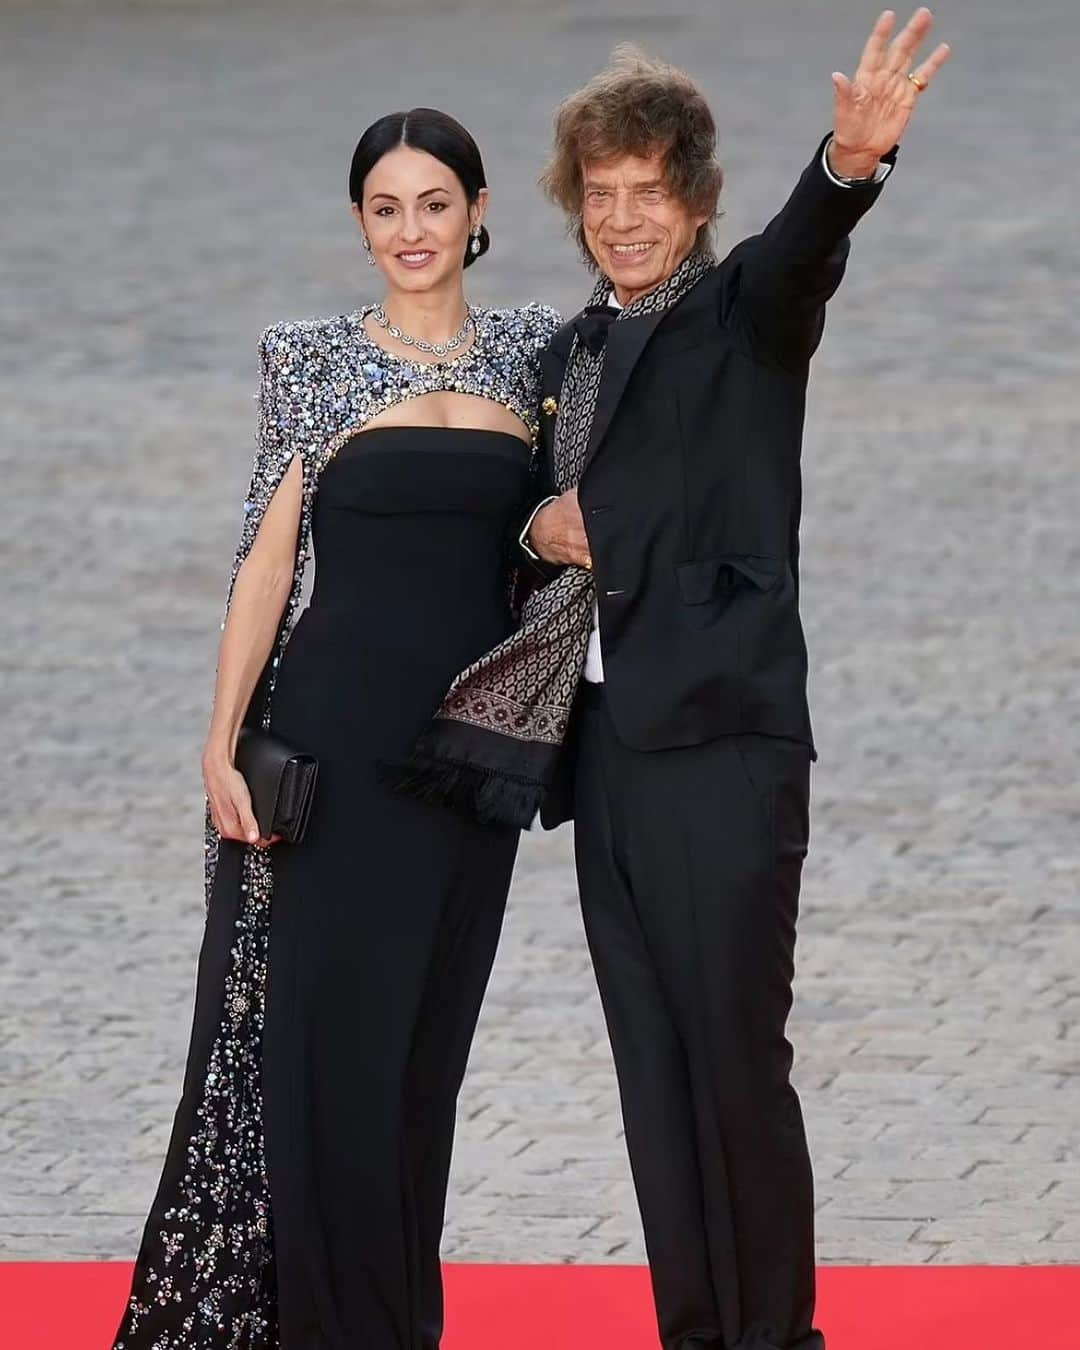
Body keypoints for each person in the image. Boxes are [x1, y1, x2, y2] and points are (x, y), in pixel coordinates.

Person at [395, 11, 949, 1349]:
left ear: (695, 199)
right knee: (654, 1070)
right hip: (608, 754)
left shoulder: (741, 319)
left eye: (651, 193)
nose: (627, 219)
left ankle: (780, 1337)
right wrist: (542, 527)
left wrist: (849, 164)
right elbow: (526, 518)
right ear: (575, 208)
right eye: (603, 196)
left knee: (735, 1063)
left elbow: (802, 257)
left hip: (725, 748)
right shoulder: (568, 356)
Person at [111, 108, 560, 1350]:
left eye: (433, 203)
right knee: (329, 1057)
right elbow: (267, 554)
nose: (410, 231)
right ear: (359, 222)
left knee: (424, 1065)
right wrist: (219, 738)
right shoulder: (309, 355)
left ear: (477, 209)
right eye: (384, 208)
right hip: (335, 748)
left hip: (469, 763)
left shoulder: (538, 353)